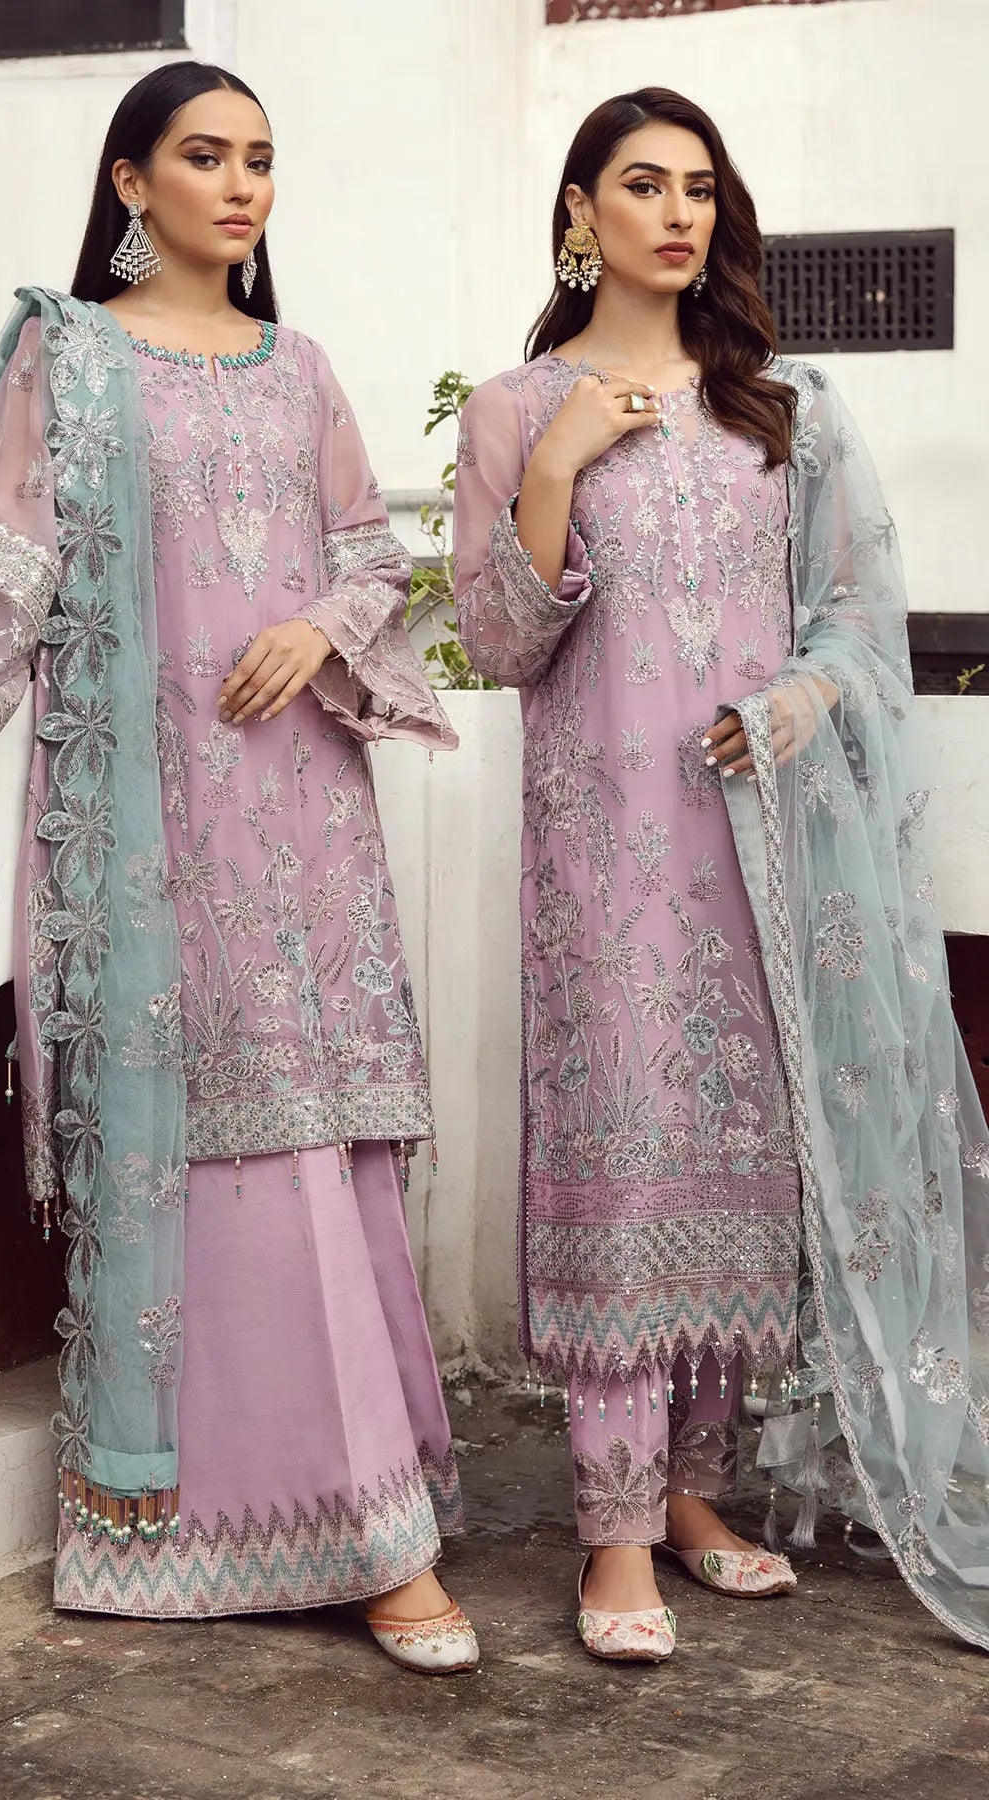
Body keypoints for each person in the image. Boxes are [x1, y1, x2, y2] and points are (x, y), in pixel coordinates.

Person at [0, 61, 478, 1676]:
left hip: (305, 814)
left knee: (318, 1136)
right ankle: (216, 1532)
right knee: (215, 1148)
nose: (240, 187)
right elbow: (1, 549)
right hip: (156, 827)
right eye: (206, 156)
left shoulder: (300, 369)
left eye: (260, 160)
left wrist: (317, 626)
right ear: (130, 181)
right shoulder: (70, 354)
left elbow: (374, 555)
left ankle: (381, 1527)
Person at [453, 86, 989, 1661]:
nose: (678, 213)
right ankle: (612, 1532)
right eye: (643, 184)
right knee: (627, 1164)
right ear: (581, 212)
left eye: (699, 187)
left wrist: (797, 703)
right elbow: (496, 642)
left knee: (744, 1168)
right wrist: (555, 469)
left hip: (761, 847)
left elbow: (853, 623)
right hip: (605, 856)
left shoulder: (782, 406)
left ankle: (696, 1498)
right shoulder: (515, 406)